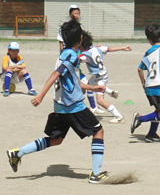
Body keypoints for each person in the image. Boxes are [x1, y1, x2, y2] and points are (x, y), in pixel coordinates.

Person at [7, 19, 108, 184]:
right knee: (98, 131)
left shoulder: (63, 55)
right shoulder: (71, 56)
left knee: (56, 139)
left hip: (60, 105)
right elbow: (56, 74)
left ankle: (17, 153)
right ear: (79, 38)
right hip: (72, 105)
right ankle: (96, 174)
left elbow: (72, 81)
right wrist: (40, 95)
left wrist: (92, 88)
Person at [131, 24, 160, 142]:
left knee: (159, 111)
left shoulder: (148, 53)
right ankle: (140, 119)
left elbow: (139, 69)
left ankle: (151, 134)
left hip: (149, 86)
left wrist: (143, 83)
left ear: (148, 39)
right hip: (158, 86)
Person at [57, 5, 104, 114]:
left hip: (75, 55)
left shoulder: (80, 27)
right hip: (69, 55)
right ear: (70, 14)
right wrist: (62, 53)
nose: (76, 15)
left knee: (79, 81)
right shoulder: (65, 28)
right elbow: (60, 42)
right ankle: (84, 106)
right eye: (74, 13)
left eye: (78, 13)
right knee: (77, 81)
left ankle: (91, 106)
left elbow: (82, 42)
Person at [78, 31, 132, 124]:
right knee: (87, 86)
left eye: (79, 46)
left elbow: (78, 59)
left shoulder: (86, 55)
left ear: (82, 46)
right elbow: (109, 49)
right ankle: (110, 92)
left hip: (100, 78)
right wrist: (123, 48)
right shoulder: (97, 48)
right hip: (101, 74)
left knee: (100, 101)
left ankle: (119, 116)